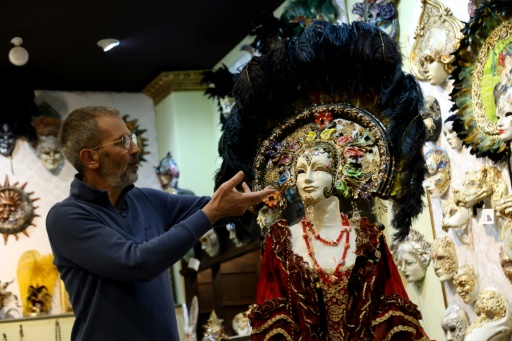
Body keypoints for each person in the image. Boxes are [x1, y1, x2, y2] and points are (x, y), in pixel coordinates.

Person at [214, 21, 430, 340]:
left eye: (317, 168)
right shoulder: (281, 244)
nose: (307, 178)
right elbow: (276, 323)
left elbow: (393, 317)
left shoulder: (369, 241)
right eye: (300, 171)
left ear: (337, 174)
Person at [45, 106, 274, 340]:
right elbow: (137, 263)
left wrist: (268, 185)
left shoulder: (145, 199)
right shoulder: (66, 218)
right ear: (90, 158)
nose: (135, 148)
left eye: (131, 138)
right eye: (122, 141)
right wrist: (213, 212)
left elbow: (221, 206)